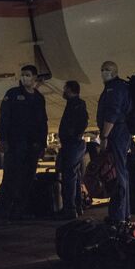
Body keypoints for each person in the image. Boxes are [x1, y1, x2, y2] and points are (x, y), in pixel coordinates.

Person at [0, 65, 48, 221]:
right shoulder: (12, 94)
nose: (24, 77)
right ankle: (2, 213)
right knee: (10, 178)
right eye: (23, 75)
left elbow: (43, 122)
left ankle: (19, 211)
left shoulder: (39, 98)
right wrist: (3, 139)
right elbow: (4, 118)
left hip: (32, 145)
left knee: (27, 179)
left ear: (34, 78)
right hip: (15, 143)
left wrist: (42, 144)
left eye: (28, 75)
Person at [97, 61, 132, 224]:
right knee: (120, 173)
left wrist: (104, 136)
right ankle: (123, 213)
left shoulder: (114, 88)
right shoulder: (116, 87)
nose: (104, 72)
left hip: (116, 133)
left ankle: (118, 216)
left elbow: (112, 112)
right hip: (119, 132)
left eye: (108, 70)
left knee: (117, 174)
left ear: (116, 71)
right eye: (103, 70)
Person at [57, 81, 88, 220]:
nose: (63, 91)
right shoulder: (75, 104)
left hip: (72, 144)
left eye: (65, 88)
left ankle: (70, 209)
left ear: (70, 90)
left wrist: (72, 134)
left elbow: (82, 122)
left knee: (69, 177)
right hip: (73, 143)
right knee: (74, 177)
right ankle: (77, 206)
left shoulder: (76, 104)